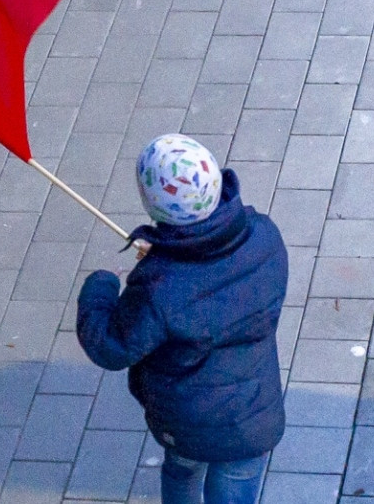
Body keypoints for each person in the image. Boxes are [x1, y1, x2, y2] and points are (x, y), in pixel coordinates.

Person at [76, 134, 289, 504]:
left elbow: (112, 346)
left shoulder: (160, 287)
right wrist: (166, 257)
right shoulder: (265, 235)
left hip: (187, 422)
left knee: (183, 470)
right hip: (253, 415)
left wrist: (101, 286)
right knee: (237, 484)